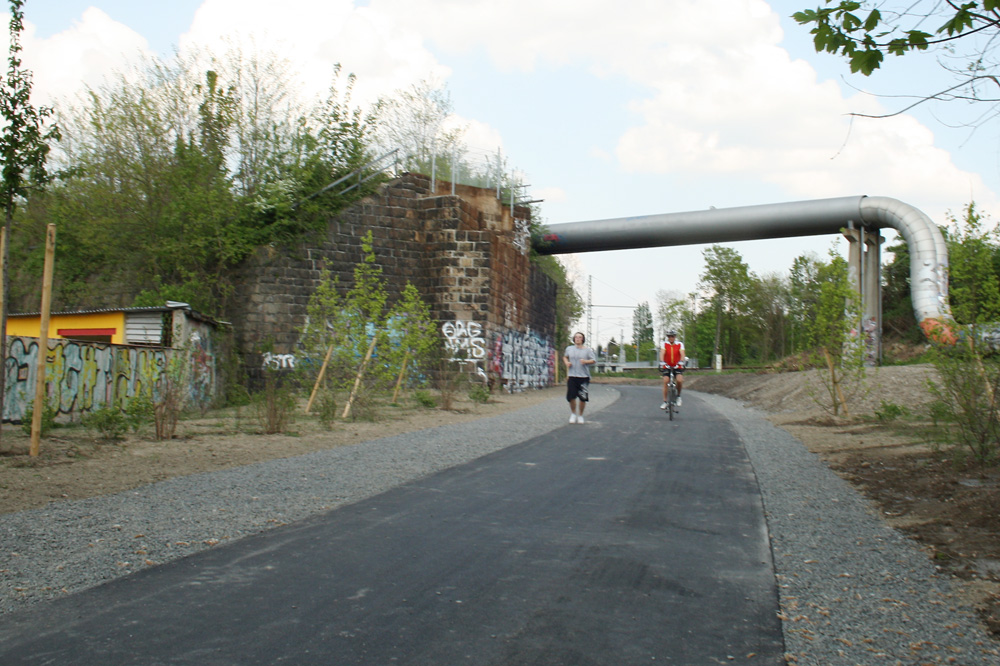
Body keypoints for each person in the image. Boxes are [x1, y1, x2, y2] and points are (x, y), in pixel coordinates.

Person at [563, 331, 596, 424]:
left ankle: (580, 415)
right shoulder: (569, 349)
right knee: (571, 397)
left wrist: (586, 361)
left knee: (582, 397)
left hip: (584, 377)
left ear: (583, 339)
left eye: (580, 337)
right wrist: (567, 363)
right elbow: (565, 357)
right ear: (574, 339)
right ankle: (573, 414)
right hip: (572, 376)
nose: (578, 339)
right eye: (576, 337)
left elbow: (593, 360)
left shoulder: (588, 350)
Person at [658, 330, 685, 409]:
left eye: (672, 336)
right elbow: (662, 353)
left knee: (679, 380)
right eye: (669, 336)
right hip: (667, 366)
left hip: (677, 366)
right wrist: (662, 362)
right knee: (666, 381)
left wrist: (681, 361)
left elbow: (682, 354)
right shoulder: (664, 344)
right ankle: (665, 401)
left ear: (675, 337)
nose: (671, 338)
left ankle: (678, 396)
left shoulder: (680, 344)